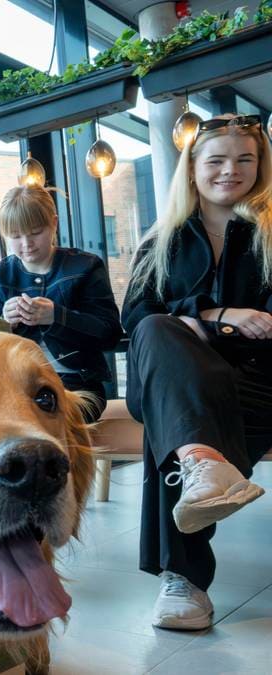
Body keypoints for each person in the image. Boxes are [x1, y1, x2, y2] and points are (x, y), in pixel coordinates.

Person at [122, 114, 272, 630]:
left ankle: (183, 578)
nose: (231, 170)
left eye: (245, 159)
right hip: (178, 378)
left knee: (177, 419)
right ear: (192, 169)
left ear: (261, 166)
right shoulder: (160, 241)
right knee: (159, 337)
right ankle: (203, 464)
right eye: (217, 160)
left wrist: (194, 324)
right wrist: (219, 315)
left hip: (257, 383)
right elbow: (137, 318)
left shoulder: (270, 234)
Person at [0, 185, 122, 422]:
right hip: (14, 384)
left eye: (35, 232)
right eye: (15, 236)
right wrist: (4, 324)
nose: (27, 243)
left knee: (41, 418)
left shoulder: (86, 267)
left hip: (78, 383)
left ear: (53, 223)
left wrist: (57, 316)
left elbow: (109, 335)